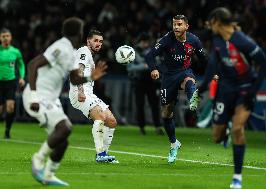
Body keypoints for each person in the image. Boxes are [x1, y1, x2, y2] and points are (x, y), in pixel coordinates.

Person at [22, 17, 108, 186]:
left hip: (50, 99)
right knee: (65, 127)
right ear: (79, 33)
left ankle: (48, 175)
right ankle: (38, 159)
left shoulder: (71, 51)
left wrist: (91, 76)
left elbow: (75, 79)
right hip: (38, 95)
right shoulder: (61, 47)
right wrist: (33, 95)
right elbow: (33, 65)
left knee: (63, 140)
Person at [198, 7, 266, 189]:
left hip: (245, 90)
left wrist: (253, 91)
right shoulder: (216, 40)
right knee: (216, 137)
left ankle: (237, 178)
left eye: (211, 23)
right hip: (224, 91)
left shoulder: (243, 41)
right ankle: (226, 131)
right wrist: (202, 87)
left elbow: (265, 65)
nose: (209, 26)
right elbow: (212, 65)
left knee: (239, 128)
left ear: (217, 23)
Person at [145, 15, 208, 163]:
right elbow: (150, 56)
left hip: (185, 71)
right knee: (166, 114)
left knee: (189, 80)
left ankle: (193, 98)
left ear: (187, 26)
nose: (176, 27)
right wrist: (153, 69)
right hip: (169, 77)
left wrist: (215, 72)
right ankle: (174, 143)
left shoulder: (194, 40)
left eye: (179, 24)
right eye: (174, 24)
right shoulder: (167, 39)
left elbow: (204, 59)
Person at [69, 28, 118, 163]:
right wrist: (80, 91)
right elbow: (78, 69)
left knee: (112, 121)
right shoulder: (84, 51)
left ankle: (104, 154)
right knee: (100, 116)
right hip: (79, 92)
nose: (98, 44)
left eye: (101, 42)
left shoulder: (90, 55)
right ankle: (101, 154)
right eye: (95, 40)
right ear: (88, 41)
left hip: (89, 93)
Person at [127, 33, 164, 135]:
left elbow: (157, 64)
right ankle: (141, 127)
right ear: (139, 42)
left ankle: (158, 126)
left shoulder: (151, 51)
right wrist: (145, 66)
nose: (145, 44)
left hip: (150, 81)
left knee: (154, 105)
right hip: (138, 81)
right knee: (140, 105)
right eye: (144, 42)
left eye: (147, 42)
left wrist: (145, 65)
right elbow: (130, 68)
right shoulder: (133, 52)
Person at [0, 28, 25, 139]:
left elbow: (21, 65)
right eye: (3, 36)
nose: (5, 38)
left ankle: (7, 131)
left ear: (10, 37)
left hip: (11, 82)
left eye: (7, 36)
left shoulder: (15, 51)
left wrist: (22, 77)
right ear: (0, 38)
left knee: (10, 108)